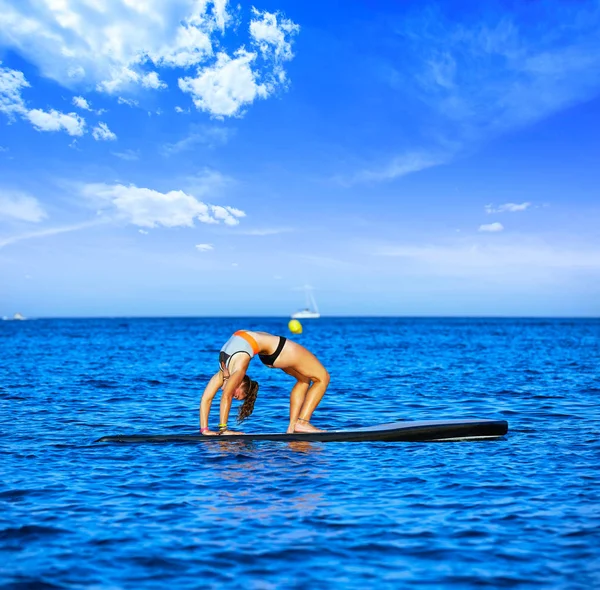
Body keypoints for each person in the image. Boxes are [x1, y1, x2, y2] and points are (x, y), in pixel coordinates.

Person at [199, 330, 330, 435]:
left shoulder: (224, 371)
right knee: (323, 377)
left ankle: (292, 428)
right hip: (280, 351)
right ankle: (303, 422)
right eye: (236, 396)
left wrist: (207, 430)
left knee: (304, 379)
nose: (233, 395)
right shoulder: (238, 369)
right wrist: (221, 430)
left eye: (236, 395)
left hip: (269, 354)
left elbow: (211, 398)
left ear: (239, 383)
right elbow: (216, 397)